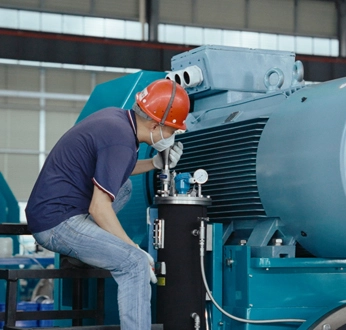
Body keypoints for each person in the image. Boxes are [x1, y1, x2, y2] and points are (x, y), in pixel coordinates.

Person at [25, 79, 190, 330]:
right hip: (56, 223)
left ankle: (84, 251)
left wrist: (155, 164)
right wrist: (133, 248)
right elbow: (99, 208)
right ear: (156, 124)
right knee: (133, 264)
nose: (172, 136)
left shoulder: (118, 120)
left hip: (57, 211)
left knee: (124, 186)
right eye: (172, 130)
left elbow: (116, 166)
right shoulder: (122, 140)